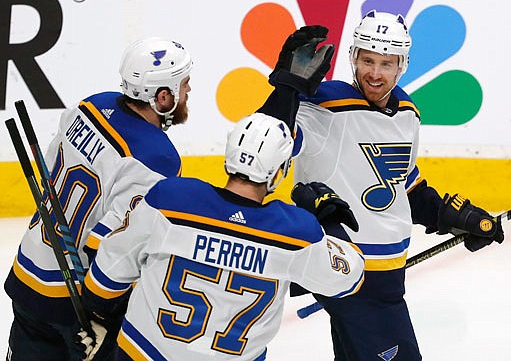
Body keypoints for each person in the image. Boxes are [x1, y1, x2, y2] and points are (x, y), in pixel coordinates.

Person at [258, 14, 504, 360]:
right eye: (367, 60)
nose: (374, 73)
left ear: (402, 65)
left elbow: (403, 184)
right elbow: (264, 144)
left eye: (386, 63)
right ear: (353, 57)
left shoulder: (407, 112)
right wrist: (287, 90)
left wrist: (449, 216)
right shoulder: (325, 104)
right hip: (349, 271)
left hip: (386, 276)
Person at [72, 112, 365, 360]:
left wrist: (101, 319)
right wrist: (328, 220)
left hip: (143, 352)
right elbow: (349, 278)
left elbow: (104, 281)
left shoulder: (172, 199)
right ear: (279, 172)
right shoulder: (297, 232)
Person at [4, 37, 194, 360]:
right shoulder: (156, 157)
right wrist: (104, 316)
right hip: (75, 304)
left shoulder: (91, 105)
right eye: (184, 85)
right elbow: (110, 245)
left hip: (28, 272)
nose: (188, 93)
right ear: (164, 97)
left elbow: (48, 175)